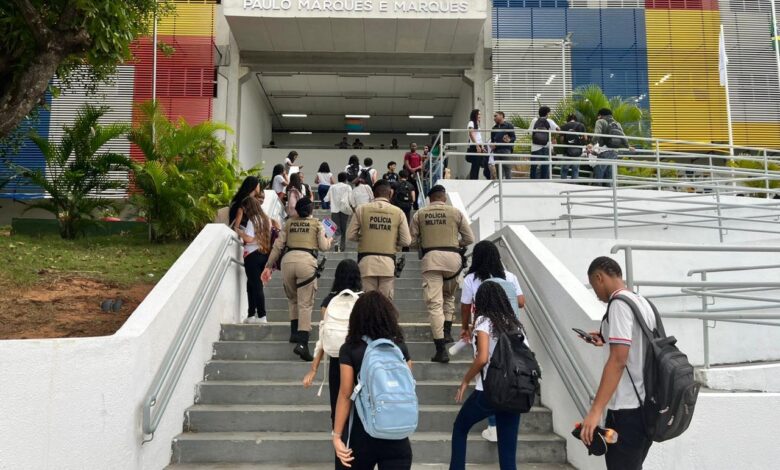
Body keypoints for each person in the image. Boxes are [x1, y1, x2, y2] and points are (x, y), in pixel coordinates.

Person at [580, 256, 655, 470]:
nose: (596, 294)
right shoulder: (640, 301)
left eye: (594, 287)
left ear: (599, 277)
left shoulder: (618, 304)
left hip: (626, 411)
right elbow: (638, 344)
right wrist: (605, 338)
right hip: (643, 407)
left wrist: (595, 411)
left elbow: (618, 360)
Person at [331, 291, 413, 470]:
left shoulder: (350, 349)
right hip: (396, 436)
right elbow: (407, 388)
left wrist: (337, 436)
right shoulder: (399, 347)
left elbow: (345, 394)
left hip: (362, 434)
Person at [450, 281, 525, 470]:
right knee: (508, 451)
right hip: (515, 391)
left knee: (460, 428)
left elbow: (482, 357)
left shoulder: (484, 321)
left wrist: (465, 380)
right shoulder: (515, 323)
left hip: (489, 391)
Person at [459, 240, 526, 442]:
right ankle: (505, 417)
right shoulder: (510, 276)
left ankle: (493, 425)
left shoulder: (471, 279)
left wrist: (465, 327)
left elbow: (465, 306)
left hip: (484, 330)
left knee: (487, 376)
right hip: (511, 330)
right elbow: (521, 302)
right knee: (506, 372)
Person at [410, 185, 475, 363]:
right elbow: (469, 239)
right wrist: (456, 244)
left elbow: (411, 241)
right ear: (444, 198)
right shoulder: (456, 213)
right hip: (454, 259)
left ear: (430, 199)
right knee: (449, 297)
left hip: (431, 259)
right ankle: (447, 333)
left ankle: (441, 350)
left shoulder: (419, 214)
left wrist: (424, 244)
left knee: (434, 304)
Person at [262, 198, 331, 361]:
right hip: (306, 262)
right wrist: (329, 240)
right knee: (305, 304)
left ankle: (294, 333)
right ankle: (302, 343)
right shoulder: (316, 224)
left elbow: (278, 245)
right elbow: (323, 246)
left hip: (287, 262)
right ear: (311, 210)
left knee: (293, 299)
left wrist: (268, 265)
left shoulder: (288, 223)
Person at [303, 259, 363, 426]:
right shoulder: (364, 300)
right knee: (359, 406)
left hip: (338, 360)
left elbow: (324, 337)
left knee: (337, 406)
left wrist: (313, 369)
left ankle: (338, 445)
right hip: (360, 361)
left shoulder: (328, 302)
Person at [348, 180, 411, 300]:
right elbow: (406, 241)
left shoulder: (362, 209)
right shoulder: (398, 212)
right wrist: (392, 240)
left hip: (366, 262)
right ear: (390, 193)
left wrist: (364, 237)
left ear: (373, 193)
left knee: (367, 302)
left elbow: (350, 235)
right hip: (387, 263)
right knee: (385, 304)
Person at [593, 108, 633, 186]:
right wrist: (628, 146)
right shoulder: (617, 123)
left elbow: (597, 133)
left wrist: (591, 143)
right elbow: (623, 136)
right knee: (610, 178)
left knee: (599, 176)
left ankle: (597, 194)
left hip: (604, 151)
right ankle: (611, 196)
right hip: (615, 152)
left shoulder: (600, 121)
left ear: (600, 115)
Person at [324, 172, 353, 252]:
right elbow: (350, 199)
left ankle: (336, 243)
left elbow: (326, 198)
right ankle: (342, 247)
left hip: (334, 210)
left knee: (336, 229)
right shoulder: (348, 187)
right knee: (344, 229)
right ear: (346, 179)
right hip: (344, 210)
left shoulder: (332, 187)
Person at [528, 106, 559, 180]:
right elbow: (558, 129)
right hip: (546, 146)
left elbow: (529, 132)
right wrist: (553, 138)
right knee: (545, 165)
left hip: (535, 147)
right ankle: (544, 181)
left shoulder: (534, 120)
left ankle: (532, 181)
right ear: (547, 113)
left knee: (534, 166)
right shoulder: (549, 121)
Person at [559, 113, 586, 180]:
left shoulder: (564, 126)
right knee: (575, 169)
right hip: (577, 151)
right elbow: (585, 138)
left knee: (564, 169)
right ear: (576, 119)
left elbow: (562, 140)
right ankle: (574, 186)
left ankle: (563, 184)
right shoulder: (581, 125)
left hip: (567, 151)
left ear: (568, 119)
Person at [491, 111, 516, 180]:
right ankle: (500, 188)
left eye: (496, 116)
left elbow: (514, 137)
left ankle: (508, 187)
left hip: (506, 150)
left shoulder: (508, 125)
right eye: (494, 116)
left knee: (507, 170)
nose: (494, 118)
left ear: (501, 116)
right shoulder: (494, 128)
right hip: (496, 151)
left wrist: (509, 140)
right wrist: (492, 145)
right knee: (499, 171)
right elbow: (492, 140)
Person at [467, 109, 488, 180]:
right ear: (475, 115)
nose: (480, 116)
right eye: (478, 114)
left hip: (478, 145)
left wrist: (482, 147)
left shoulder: (477, 124)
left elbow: (479, 137)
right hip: (474, 146)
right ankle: (473, 179)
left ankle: (475, 179)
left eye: (480, 114)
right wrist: (477, 146)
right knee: (475, 165)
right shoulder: (471, 123)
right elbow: (471, 134)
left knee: (477, 164)